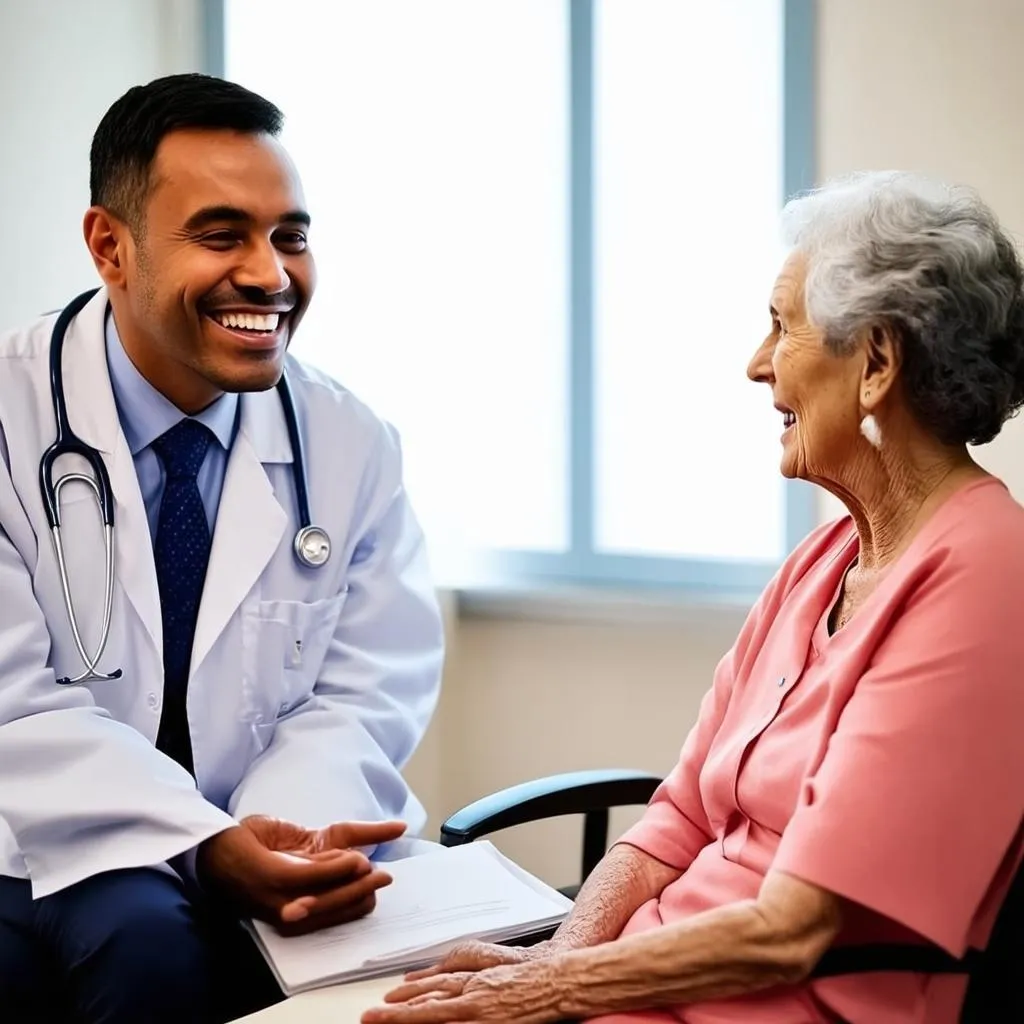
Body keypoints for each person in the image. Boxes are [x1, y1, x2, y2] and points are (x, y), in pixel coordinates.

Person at [361, 171, 1024, 1024]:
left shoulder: (988, 576)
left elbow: (793, 929)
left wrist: (550, 988)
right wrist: (561, 957)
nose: (756, 365)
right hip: (652, 981)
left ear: (877, 363)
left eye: (781, 327)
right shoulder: (820, 562)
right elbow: (676, 816)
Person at [0, 73, 444, 1022]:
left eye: (290, 235)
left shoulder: (350, 441)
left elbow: (369, 688)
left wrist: (270, 834)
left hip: (266, 837)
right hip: (32, 830)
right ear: (108, 247)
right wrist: (201, 845)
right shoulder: (10, 418)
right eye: (221, 235)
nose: (270, 275)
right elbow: (14, 705)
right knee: (145, 943)